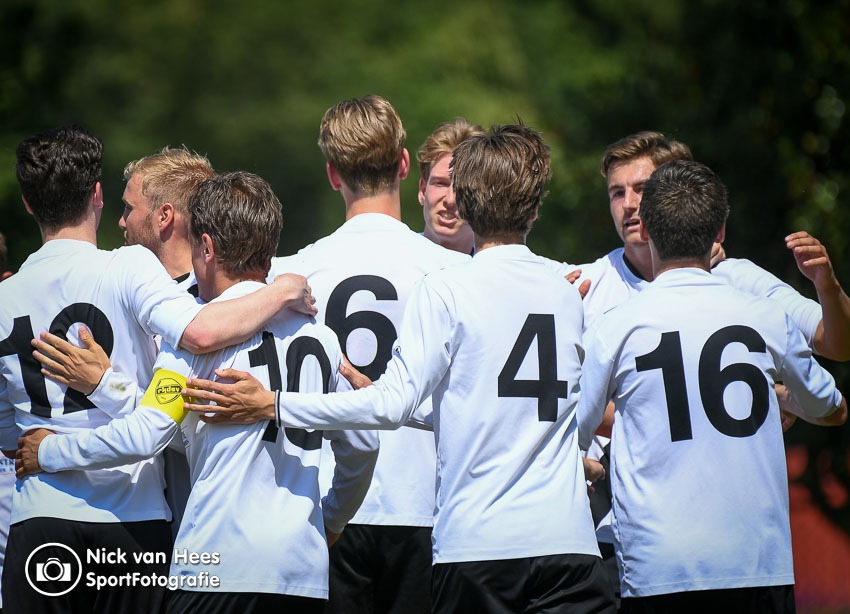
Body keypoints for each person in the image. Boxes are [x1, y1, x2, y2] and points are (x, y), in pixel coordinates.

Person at [184, 124, 617, 614]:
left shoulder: (449, 286)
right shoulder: (565, 291)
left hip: (480, 546)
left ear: (467, 204)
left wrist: (274, 404)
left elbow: (390, 406)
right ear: (536, 208)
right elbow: (516, 408)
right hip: (570, 546)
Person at [16, 171, 380, 612]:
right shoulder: (320, 338)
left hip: (217, 567)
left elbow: (148, 433)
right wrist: (332, 519)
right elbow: (363, 442)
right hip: (302, 576)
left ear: (206, 247)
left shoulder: (198, 340)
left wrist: (49, 451)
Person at [569, 131, 850, 605]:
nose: (630, 205)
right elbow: (829, 405)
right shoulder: (585, 285)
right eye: (617, 192)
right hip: (624, 539)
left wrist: (828, 285)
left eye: (643, 189)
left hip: (723, 546)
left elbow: (836, 344)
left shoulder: (742, 283)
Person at [416, 117, 484, 254]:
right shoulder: (391, 258)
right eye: (440, 184)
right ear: (423, 190)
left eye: (463, 188)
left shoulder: (494, 267)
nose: (450, 200)